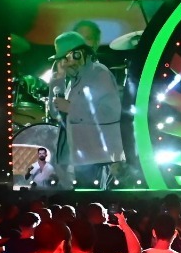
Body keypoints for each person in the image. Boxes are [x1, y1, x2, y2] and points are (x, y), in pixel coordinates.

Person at [51, 32, 125, 188]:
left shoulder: (99, 73)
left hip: (96, 157)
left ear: (78, 54)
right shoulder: (73, 81)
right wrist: (58, 79)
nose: (64, 64)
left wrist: (71, 108)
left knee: (92, 198)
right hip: (78, 157)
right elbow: (54, 112)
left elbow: (109, 113)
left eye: (65, 58)